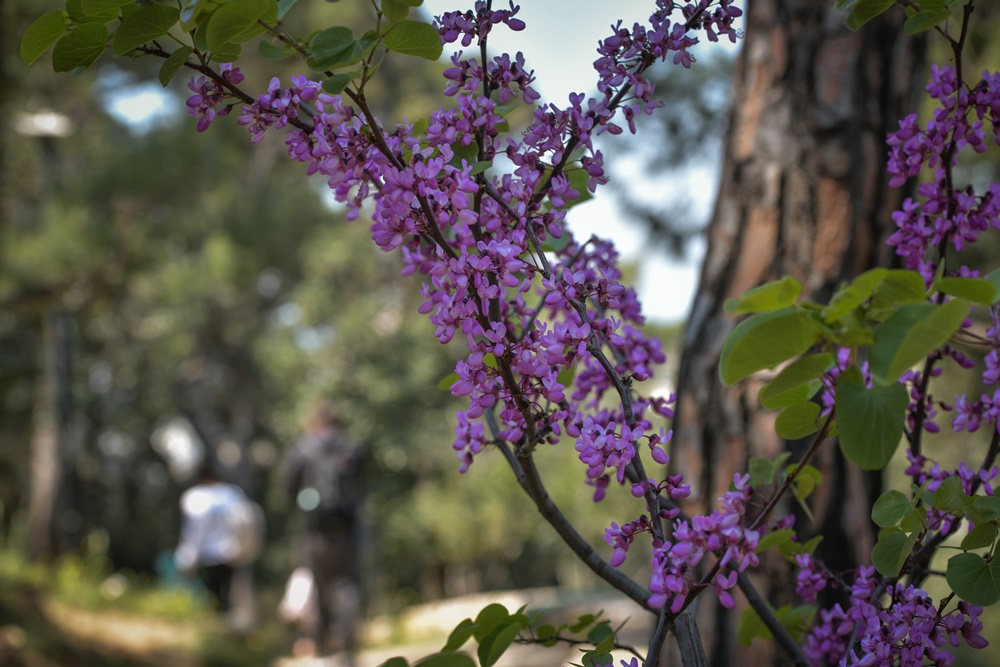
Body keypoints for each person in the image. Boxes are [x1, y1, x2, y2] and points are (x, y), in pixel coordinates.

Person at [283, 400, 362, 662]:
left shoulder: (301, 450)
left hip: (314, 531)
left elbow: (288, 489)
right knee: (346, 583)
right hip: (345, 530)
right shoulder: (349, 447)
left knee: (319, 586)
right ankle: (347, 643)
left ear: (313, 421)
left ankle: (324, 643)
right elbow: (360, 487)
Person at [175, 461, 262, 614]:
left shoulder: (197, 498)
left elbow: (195, 532)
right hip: (233, 553)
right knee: (227, 596)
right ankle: (222, 623)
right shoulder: (233, 493)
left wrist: (188, 557)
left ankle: (210, 622)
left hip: (209, 555)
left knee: (210, 596)